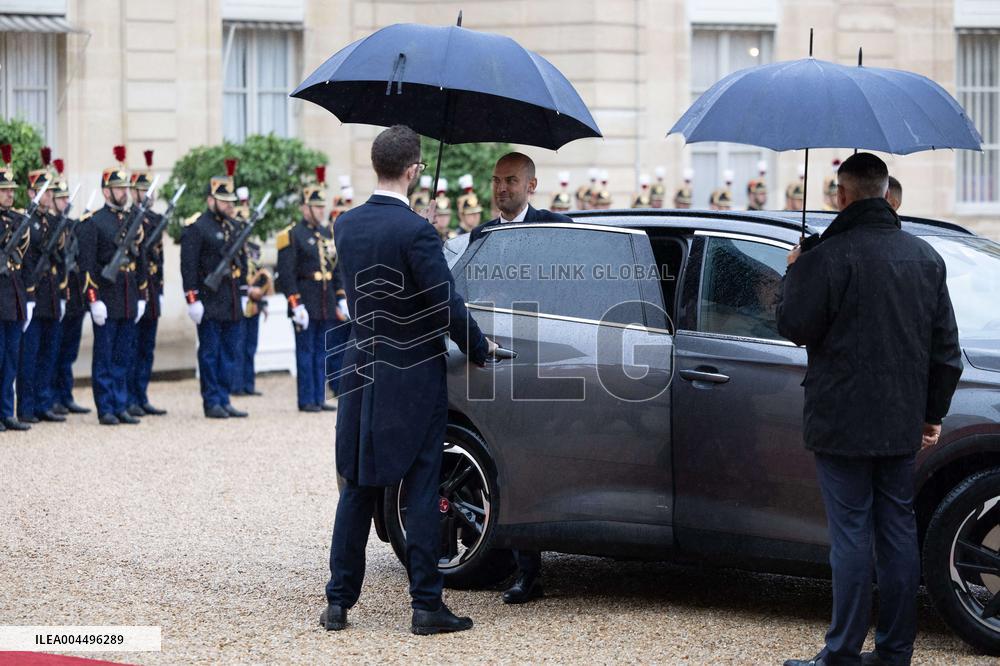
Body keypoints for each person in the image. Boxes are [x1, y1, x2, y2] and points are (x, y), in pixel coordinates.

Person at [777, 153, 963, 666]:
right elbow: (946, 350)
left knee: (852, 535)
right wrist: (932, 413)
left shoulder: (825, 256)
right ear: (884, 193)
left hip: (840, 420)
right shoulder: (925, 257)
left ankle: (841, 653)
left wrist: (795, 271)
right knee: (898, 531)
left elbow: (793, 327)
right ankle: (895, 652)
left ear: (842, 195)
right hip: (901, 418)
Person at [321, 124, 496, 635]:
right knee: (420, 485)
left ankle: (338, 601)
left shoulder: (345, 224)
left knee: (357, 484)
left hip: (360, 364)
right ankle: (425, 605)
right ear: (414, 169)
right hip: (412, 371)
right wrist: (480, 348)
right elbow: (445, 303)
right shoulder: (417, 231)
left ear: (377, 166)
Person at [78, 145, 148, 426]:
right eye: (118, 189)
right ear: (106, 192)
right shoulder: (93, 223)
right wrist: (93, 299)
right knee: (105, 357)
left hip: (129, 296)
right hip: (106, 297)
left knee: (124, 355)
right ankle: (105, 407)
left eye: (125, 188)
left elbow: (140, 261)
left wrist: (142, 295)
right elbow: (87, 266)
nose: (123, 193)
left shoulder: (133, 221)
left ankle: (121, 404)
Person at [179, 159, 248, 419]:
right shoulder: (197, 228)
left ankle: (224, 397)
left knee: (229, 352)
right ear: (211, 201)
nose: (229, 205)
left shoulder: (234, 226)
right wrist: (192, 299)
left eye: (231, 201)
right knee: (210, 353)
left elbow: (241, 263)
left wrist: (241, 292)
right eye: (224, 201)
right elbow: (188, 266)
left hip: (230, 300)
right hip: (208, 300)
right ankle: (211, 401)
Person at [276, 166, 346, 413]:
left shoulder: (327, 233)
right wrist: (295, 304)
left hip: (325, 302)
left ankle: (318, 397)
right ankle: (306, 399)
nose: (320, 210)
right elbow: (286, 274)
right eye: (316, 207)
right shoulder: (292, 235)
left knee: (321, 353)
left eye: (321, 206)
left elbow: (335, 269)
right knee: (305, 354)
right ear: (304, 208)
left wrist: (340, 298)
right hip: (305, 302)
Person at [18, 150, 66, 423]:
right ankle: (26, 407)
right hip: (32, 293)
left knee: (49, 352)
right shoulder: (26, 221)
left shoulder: (52, 221)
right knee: (30, 354)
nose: (49, 196)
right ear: (31, 193)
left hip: (50, 294)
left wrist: (60, 294)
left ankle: (43, 402)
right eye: (44, 191)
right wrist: (27, 295)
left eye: (50, 192)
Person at [125, 149, 167, 417]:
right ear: (133, 192)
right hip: (133, 288)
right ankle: (128, 397)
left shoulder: (155, 220)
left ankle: (141, 395)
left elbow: (159, 259)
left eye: (151, 190)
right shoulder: (129, 220)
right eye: (143, 190)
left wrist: (160, 290)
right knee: (130, 346)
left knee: (147, 348)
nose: (149, 195)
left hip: (151, 288)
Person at [50, 158, 91, 416]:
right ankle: (51, 397)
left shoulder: (71, 226)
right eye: (61, 198)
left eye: (67, 198)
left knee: (69, 351)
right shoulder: (50, 227)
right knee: (53, 350)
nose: (66, 202)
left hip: (75, 297)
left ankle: (65, 395)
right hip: (56, 296)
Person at [0, 144, 33, 431]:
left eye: (12, 190)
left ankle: (7, 412)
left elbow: (27, 264)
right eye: (5, 190)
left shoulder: (19, 220)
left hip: (14, 300)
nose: (11, 193)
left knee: (11, 359)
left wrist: (29, 299)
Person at [470, 152, 573, 242]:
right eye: (496, 180)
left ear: (531, 185)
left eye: (511, 180)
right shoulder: (479, 236)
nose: (501, 189)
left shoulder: (557, 227)